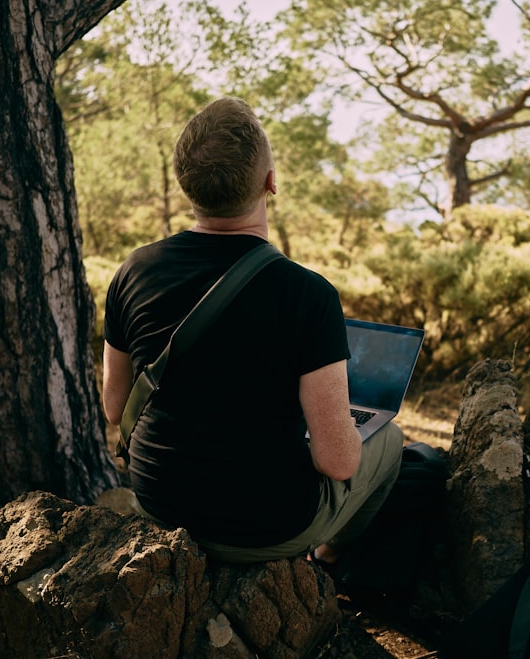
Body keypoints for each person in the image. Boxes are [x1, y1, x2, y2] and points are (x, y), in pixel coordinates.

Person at [102, 96, 404, 565]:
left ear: (187, 185)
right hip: (264, 528)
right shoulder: (307, 294)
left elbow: (115, 405)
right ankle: (331, 560)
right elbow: (337, 463)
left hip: (160, 504)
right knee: (391, 439)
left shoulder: (133, 270)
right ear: (270, 183)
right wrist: (338, 423)